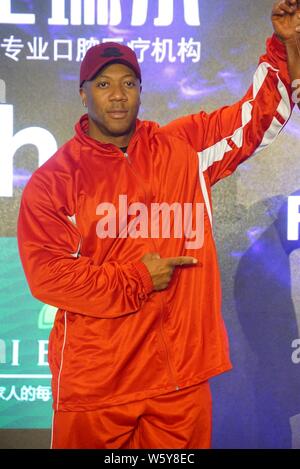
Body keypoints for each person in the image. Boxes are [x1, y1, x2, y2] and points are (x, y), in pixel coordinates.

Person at [17, 1, 300, 449]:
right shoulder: (54, 180)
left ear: (140, 90)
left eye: (128, 83)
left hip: (179, 384)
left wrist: (286, 45)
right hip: (99, 389)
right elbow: (48, 276)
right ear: (83, 93)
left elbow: (254, 119)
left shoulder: (180, 148)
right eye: (104, 84)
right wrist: (136, 279)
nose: (117, 94)